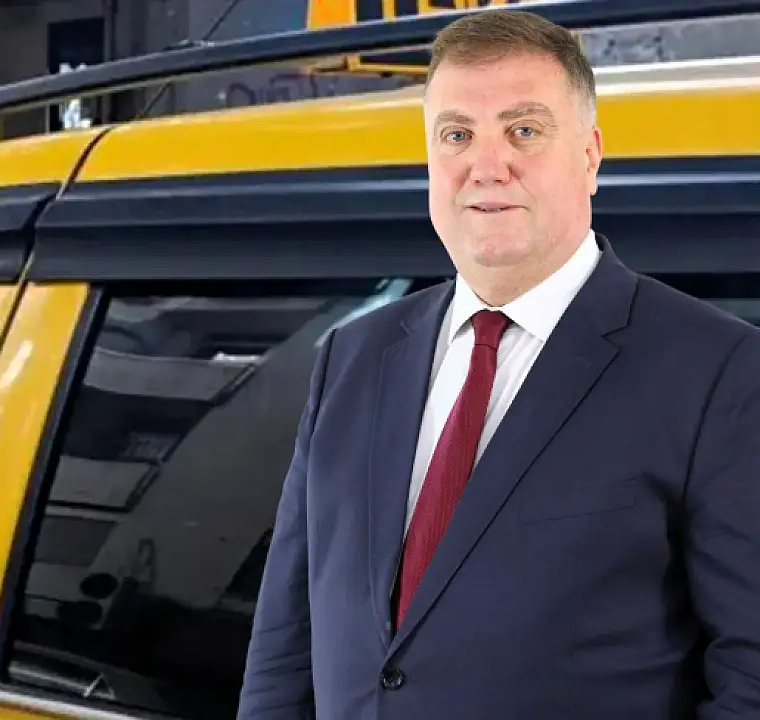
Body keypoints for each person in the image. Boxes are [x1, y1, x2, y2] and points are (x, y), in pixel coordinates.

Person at [237, 8, 760, 720]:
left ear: (590, 156)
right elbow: (283, 654)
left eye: (524, 131)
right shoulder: (351, 358)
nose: (487, 167)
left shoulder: (718, 370)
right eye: (458, 135)